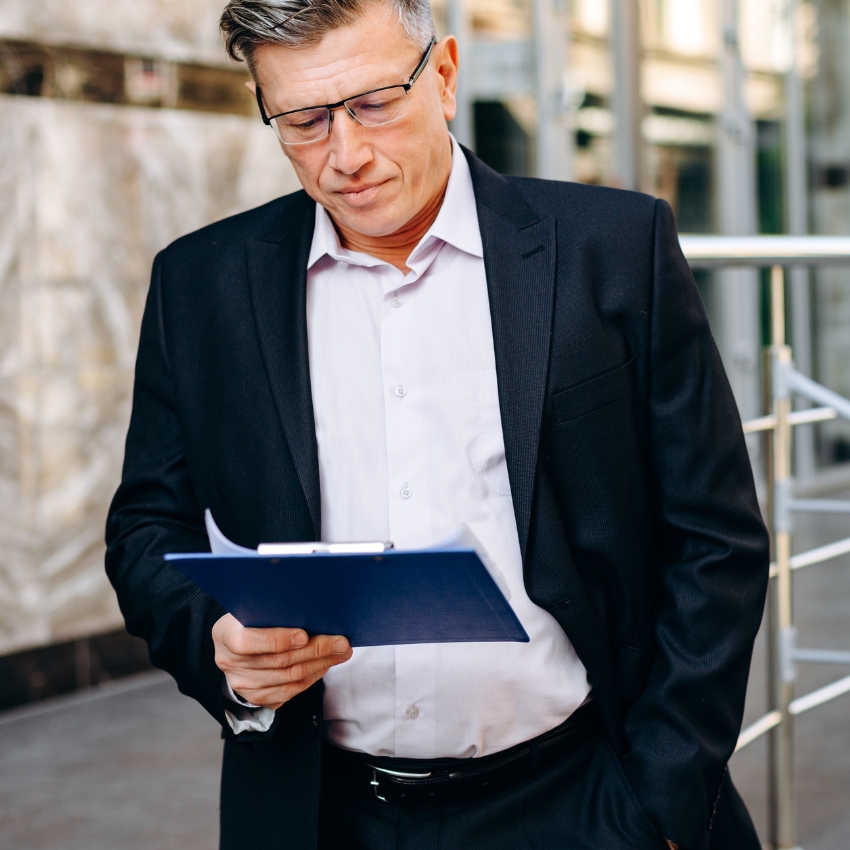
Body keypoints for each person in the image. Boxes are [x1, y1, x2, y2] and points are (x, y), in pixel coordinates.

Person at [105, 1, 770, 848]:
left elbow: (715, 539)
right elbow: (146, 527)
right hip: (320, 814)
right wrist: (218, 643)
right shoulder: (200, 284)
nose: (347, 154)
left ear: (445, 77)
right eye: (304, 121)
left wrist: (661, 804)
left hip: (584, 796)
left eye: (374, 103)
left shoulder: (612, 247)